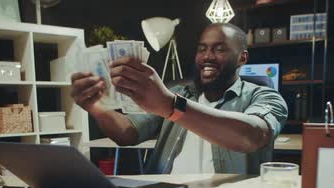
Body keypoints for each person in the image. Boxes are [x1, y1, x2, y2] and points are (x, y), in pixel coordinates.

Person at [71, 23, 287, 174]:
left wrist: (171, 106)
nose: (207, 56)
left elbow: (253, 136)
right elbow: (127, 134)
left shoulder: (265, 96)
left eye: (219, 49)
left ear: (242, 58)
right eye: (202, 49)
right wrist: (97, 107)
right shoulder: (178, 92)